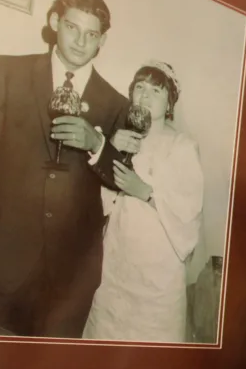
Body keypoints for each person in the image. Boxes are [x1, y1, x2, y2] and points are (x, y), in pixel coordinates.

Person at [0, 0, 128, 338]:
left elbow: (122, 178)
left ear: (103, 41)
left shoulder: (115, 103)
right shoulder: (8, 73)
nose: (81, 41)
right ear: (55, 22)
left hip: (70, 281)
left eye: (92, 34)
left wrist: (97, 144)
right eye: (72, 28)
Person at [82, 61, 204, 343]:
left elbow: (189, 211)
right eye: (140, 88)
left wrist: (146, 192)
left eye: (156, 91)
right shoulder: (123, 136)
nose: (145, 96)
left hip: (156, 268)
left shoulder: (182, 146)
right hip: (117, 260)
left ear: (170, 102)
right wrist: (111, 148)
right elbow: (98, 200)